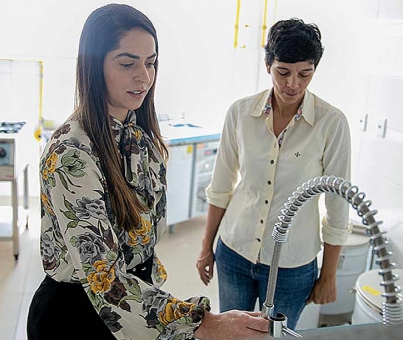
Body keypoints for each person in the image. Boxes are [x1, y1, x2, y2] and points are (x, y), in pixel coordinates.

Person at [26, 4, 269, 340]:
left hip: (134, 304)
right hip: (77, 315)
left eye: (150, 62)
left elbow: (141, 246)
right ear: (94, 66)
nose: (144, 76)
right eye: (127, 63)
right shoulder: (72, 152)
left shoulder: (140, 138)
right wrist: (201, 323)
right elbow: (103, 276)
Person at [196, 18, 352, 330]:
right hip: (235, 251)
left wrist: (329, 274)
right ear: (268, 65)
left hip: (292, 264)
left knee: (275, 337)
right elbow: (222, 186)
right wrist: (206, 247)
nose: (293, 83)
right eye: (283, 72)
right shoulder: (240, 113)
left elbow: (338, 207)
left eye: (304, 74)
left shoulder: (331, 123)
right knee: (233, 333)